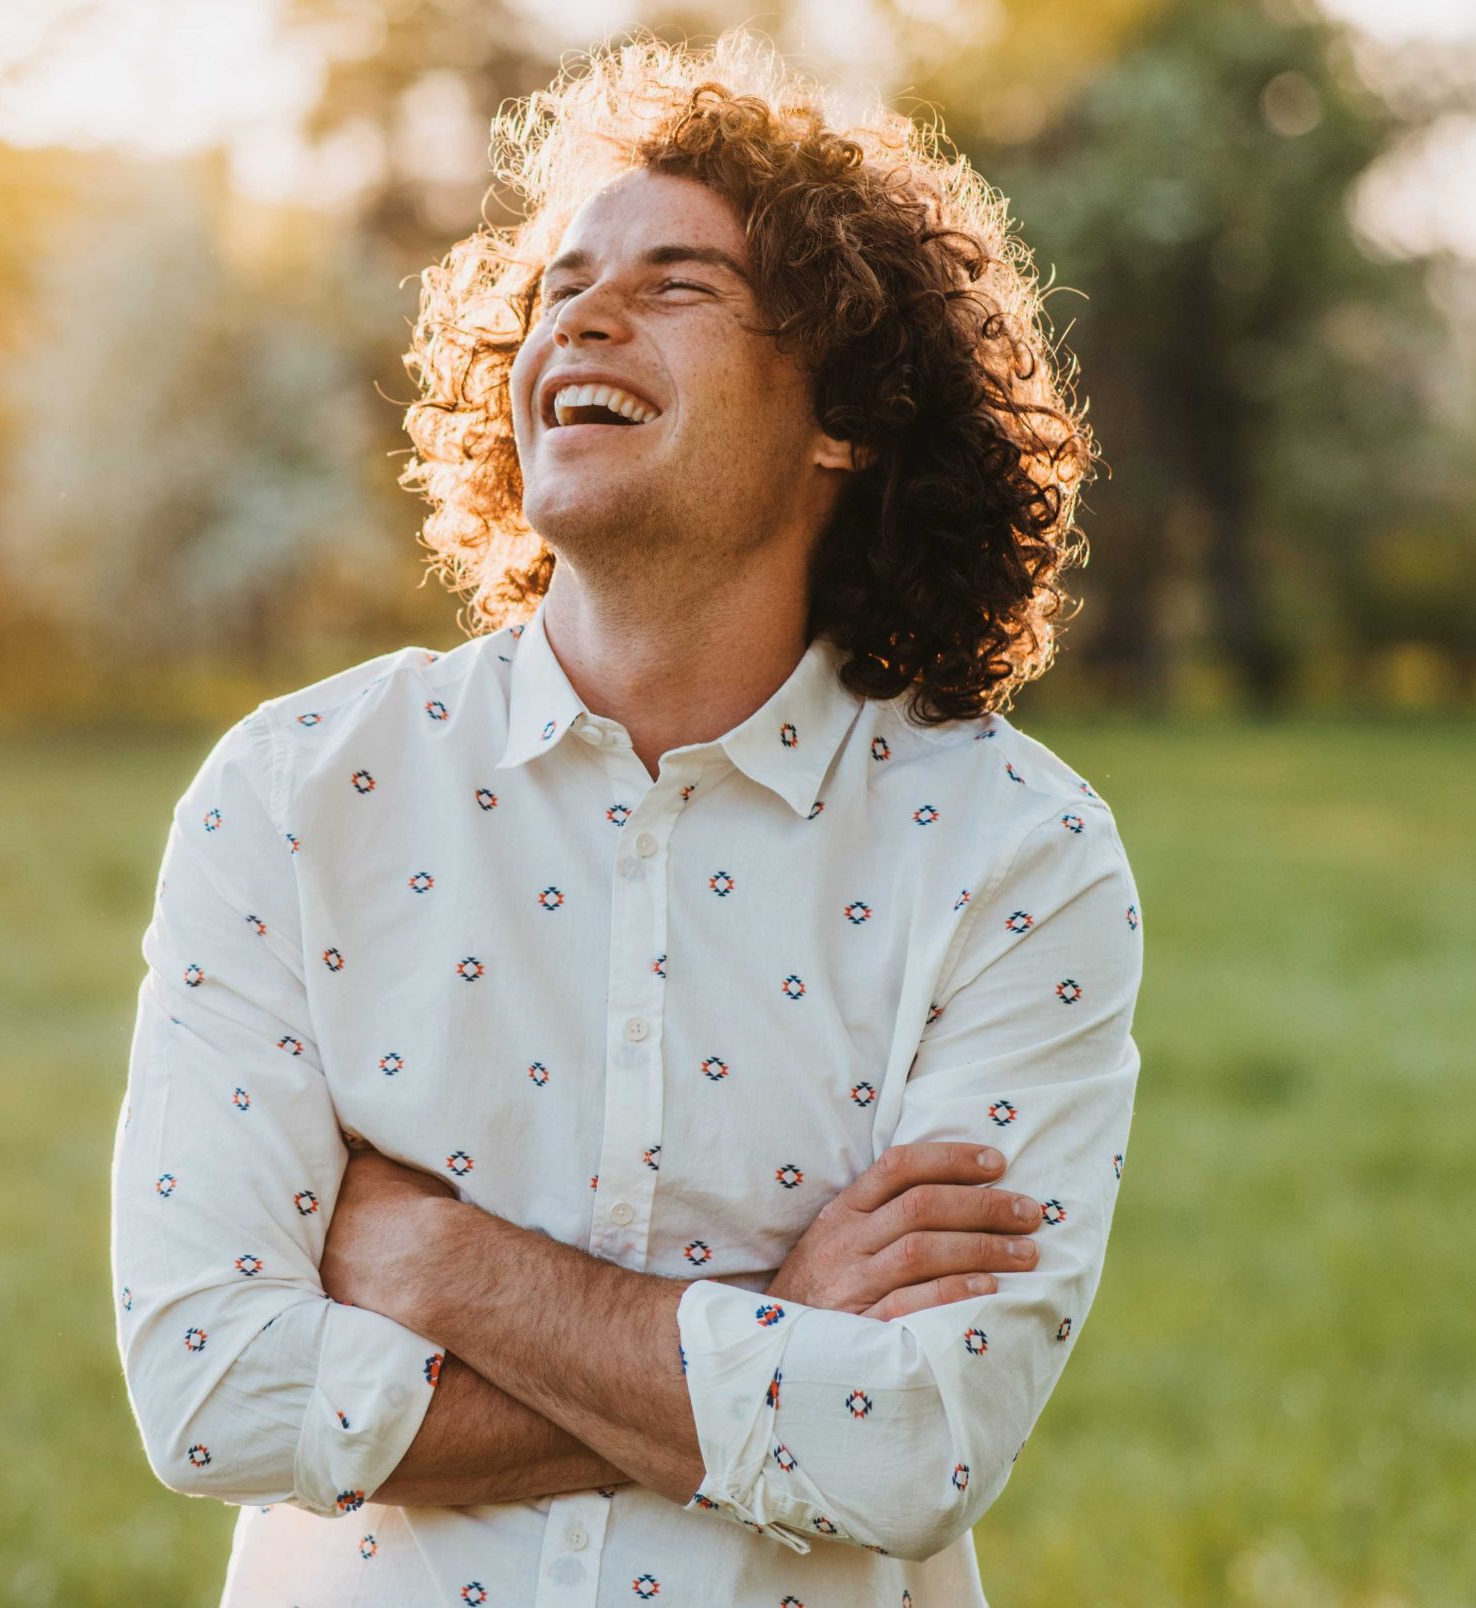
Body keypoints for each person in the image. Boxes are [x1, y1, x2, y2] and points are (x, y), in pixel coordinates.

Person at [109, 28, 1143, 1607]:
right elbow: (209, 1388)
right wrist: (774, 1325)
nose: (578, 314)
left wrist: (446, 1270)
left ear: (844, 414)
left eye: (678, 285)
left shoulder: (1017, 854)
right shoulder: (297, 791)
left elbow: (918, 1448)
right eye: (557, 287)